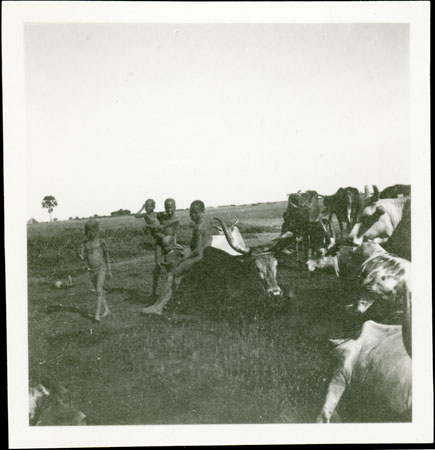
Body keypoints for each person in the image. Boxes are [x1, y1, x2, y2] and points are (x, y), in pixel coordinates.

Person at [141, 200, 213, 315]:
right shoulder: (206, 222)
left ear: (202, 212)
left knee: (172, 274)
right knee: (175, 277)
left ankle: (157, 307)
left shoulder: (200, 227)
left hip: (199, 257)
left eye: (195, 212)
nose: (191, 215)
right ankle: (160, 305)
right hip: (204, 255)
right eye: (191, 212)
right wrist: (184, 250)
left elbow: (198, 250)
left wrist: (183, 259)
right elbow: (200, 245)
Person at [135, 198, 181, 298]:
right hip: (160, 243)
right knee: (157, 267)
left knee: (171, 269)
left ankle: (172, 293)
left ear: (175, 207)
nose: (168, 210)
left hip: (169, 244)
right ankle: (154, 292)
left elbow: (171, 230)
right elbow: (140, 216)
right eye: (166, 208)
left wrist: (148, 226)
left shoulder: (174, 218)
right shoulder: (160, 215)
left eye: (171, 207)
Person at [78, 218, 112, 321]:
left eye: (92, 230)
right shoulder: (85, 244)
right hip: (91, 271)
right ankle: (106, 309)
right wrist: (78, 253)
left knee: (98, 290)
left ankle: (97, 315)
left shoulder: (101, 242)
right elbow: (83, 258)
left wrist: (109, 270)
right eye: (88, 231)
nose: (90, 233)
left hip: (101, 268)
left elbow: (107, 256)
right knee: (100, 291)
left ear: (96, 231)